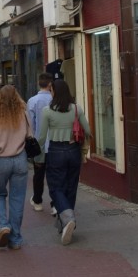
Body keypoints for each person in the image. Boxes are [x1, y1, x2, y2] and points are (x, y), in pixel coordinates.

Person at [36, 78, 91, 245]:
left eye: (51, 90)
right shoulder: (76, 109)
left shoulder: (47, 111)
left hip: (56, 151)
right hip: (73, 151)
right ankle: (65, 223)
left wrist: (38, 157)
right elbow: (88, 130)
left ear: (55, 92)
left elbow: (42, 137)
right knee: (71, 187)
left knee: (55, 188)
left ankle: (68, 219)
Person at [0, 85, 33, 250]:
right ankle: (15, 239)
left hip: (1, 159)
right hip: (20, 159)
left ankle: (3, 225)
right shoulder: (23, 112)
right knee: (17, 199)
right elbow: (30, 134)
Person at [25, 73, 53, 212]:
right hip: (54, 143)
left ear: (39, 83)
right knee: (53, 175)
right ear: (50, 84)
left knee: (38, 174)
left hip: (39, 144)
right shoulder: (55, 100)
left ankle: (37, 201)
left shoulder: (32, 101)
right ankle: (55, 203)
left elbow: (30, 124)